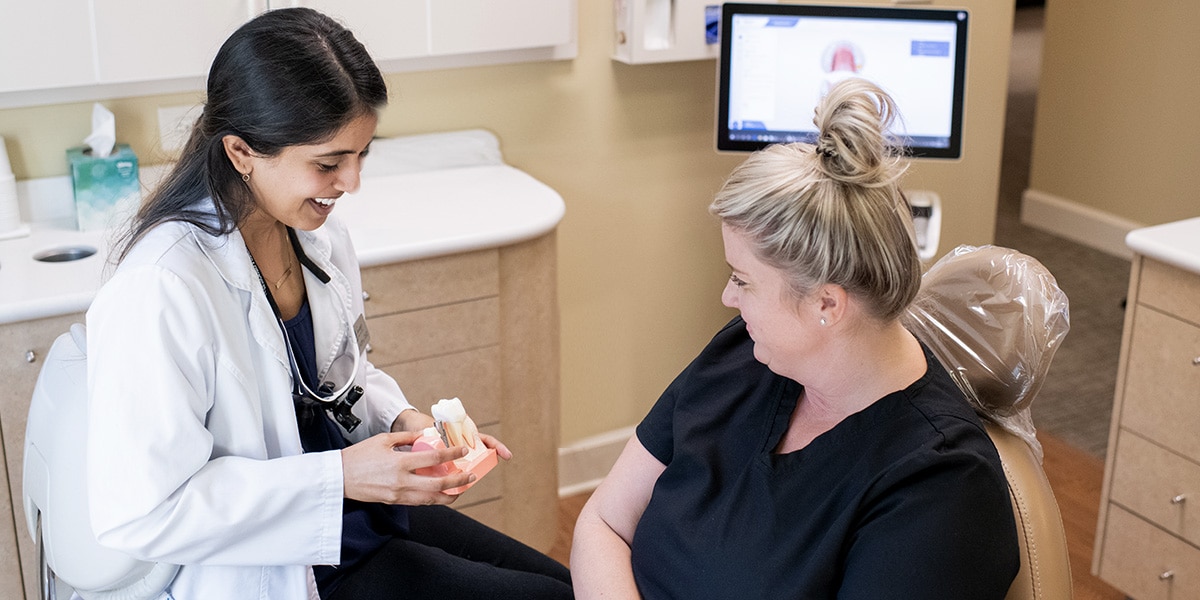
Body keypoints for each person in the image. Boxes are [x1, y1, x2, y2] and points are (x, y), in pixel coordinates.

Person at [85, 8, 572, 600]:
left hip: (356, 513)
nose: (351, 182)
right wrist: (338, 477)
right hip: (274, 561)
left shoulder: (315, 233)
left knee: (573, 584)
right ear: (241, 151)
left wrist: (404, 422)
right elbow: (139, 513)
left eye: (361, 154)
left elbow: (342, 377)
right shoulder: (161, 287)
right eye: (328, 163)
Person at [570, 79, 1020, 599]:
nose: (726, 297)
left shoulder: (939, 488)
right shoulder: (744, 352)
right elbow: (603, 521)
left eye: (742, 280)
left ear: (826, 303)